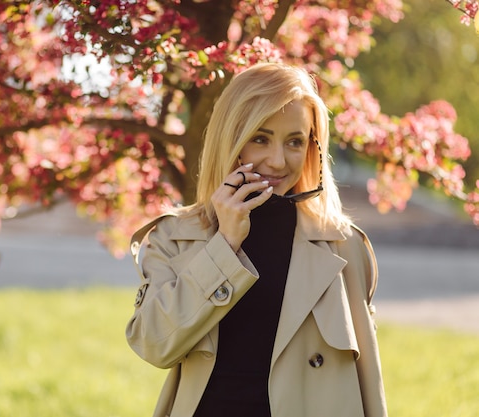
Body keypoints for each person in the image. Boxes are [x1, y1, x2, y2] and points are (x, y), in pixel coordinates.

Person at [125, 62, 387, 417]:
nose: (277, 161)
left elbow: (369, 382)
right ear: (230, 138)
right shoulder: (173, 236)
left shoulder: (344, 244)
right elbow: (154, 344)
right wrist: (225, 245)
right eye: (260, 138)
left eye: (294, 142)